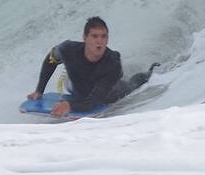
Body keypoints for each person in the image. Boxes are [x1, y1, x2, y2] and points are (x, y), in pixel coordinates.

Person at [27, 16, 157, 118]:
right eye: (94, 36)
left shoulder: (112, 63)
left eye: (103, 36)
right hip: (77, 85)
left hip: (107, 93)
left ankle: (151, 71)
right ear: (85, 38)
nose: (99, 41)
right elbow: (51, 60)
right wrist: (39, 90)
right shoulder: (67, 49)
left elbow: (94, 102)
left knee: (131, 85)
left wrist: (69, 105)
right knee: (71, 80)